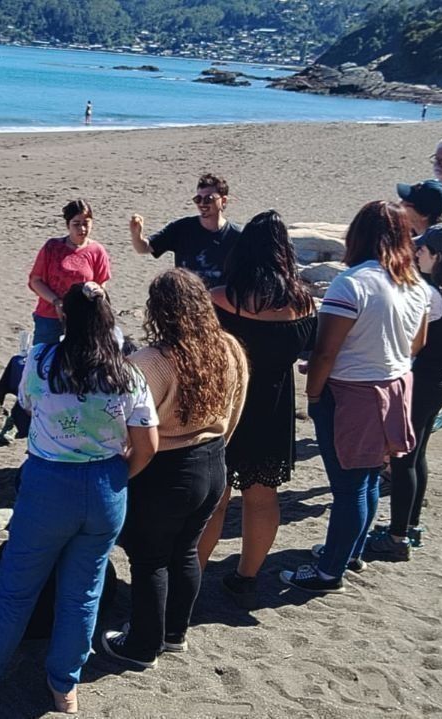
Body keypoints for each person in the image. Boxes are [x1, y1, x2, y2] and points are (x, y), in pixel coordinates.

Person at [0, 282, 158, 714]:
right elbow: (147, 445)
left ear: (65, 318)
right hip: (106, 486)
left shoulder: (43, 360)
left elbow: (28, 406)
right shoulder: (128, 373)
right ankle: (63, 685)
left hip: (50, 484)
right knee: (83, 593)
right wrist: (117, 475)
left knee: (17, 592)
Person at [99, 268, 248, 668]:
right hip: (212, 459)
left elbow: (123, 427)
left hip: (164, 468)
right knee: (185, 551)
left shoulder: (149, 362)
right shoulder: (230, 348)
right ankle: (174, 633)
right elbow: (236, 408)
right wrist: (217, 449)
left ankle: (142, 646)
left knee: (149, 559)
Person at [282, 201, 431, 594]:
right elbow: (418, 343)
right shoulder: (415, 284)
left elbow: (325, 351)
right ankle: (351, 551)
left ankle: (330, 571)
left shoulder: (352, 284)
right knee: (365, 480)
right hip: (394, 387)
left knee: (348, 487)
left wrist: (314, 393)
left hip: (352, 393)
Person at [196, 210, 318, 609]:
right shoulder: (304, 303)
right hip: (275, 406)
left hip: (228, 404)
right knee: (262, 496)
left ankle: (193, 571)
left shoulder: (223, 298)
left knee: (216, 495)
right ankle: (247, 576)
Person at [365, 223, 442, 560]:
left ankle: (397, 538)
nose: (416, 254)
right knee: (417, 456)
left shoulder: (431, 295)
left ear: (437, 257)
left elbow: (410, 336)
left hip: (424, 384)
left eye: (423, 251)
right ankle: (410, 525)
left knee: (402, 462)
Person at [129, 173, 243, 287]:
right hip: (187, 302)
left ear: (223, 201)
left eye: (209, 199)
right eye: (198, 199)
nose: (202, 203)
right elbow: (143, 248)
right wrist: (136, 234)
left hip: (221, 303)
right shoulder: (181, 228)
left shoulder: (238, 236)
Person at [28, 199, 112, 345]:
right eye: (76, 224)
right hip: (50, 317)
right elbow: (35, 281)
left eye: (86, 223)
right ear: (68, 225)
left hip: (83, 319)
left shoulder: (97, 251)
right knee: (42, 360)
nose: (82, 229)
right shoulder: (52, 247)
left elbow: (101, 285)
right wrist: (57, 302)